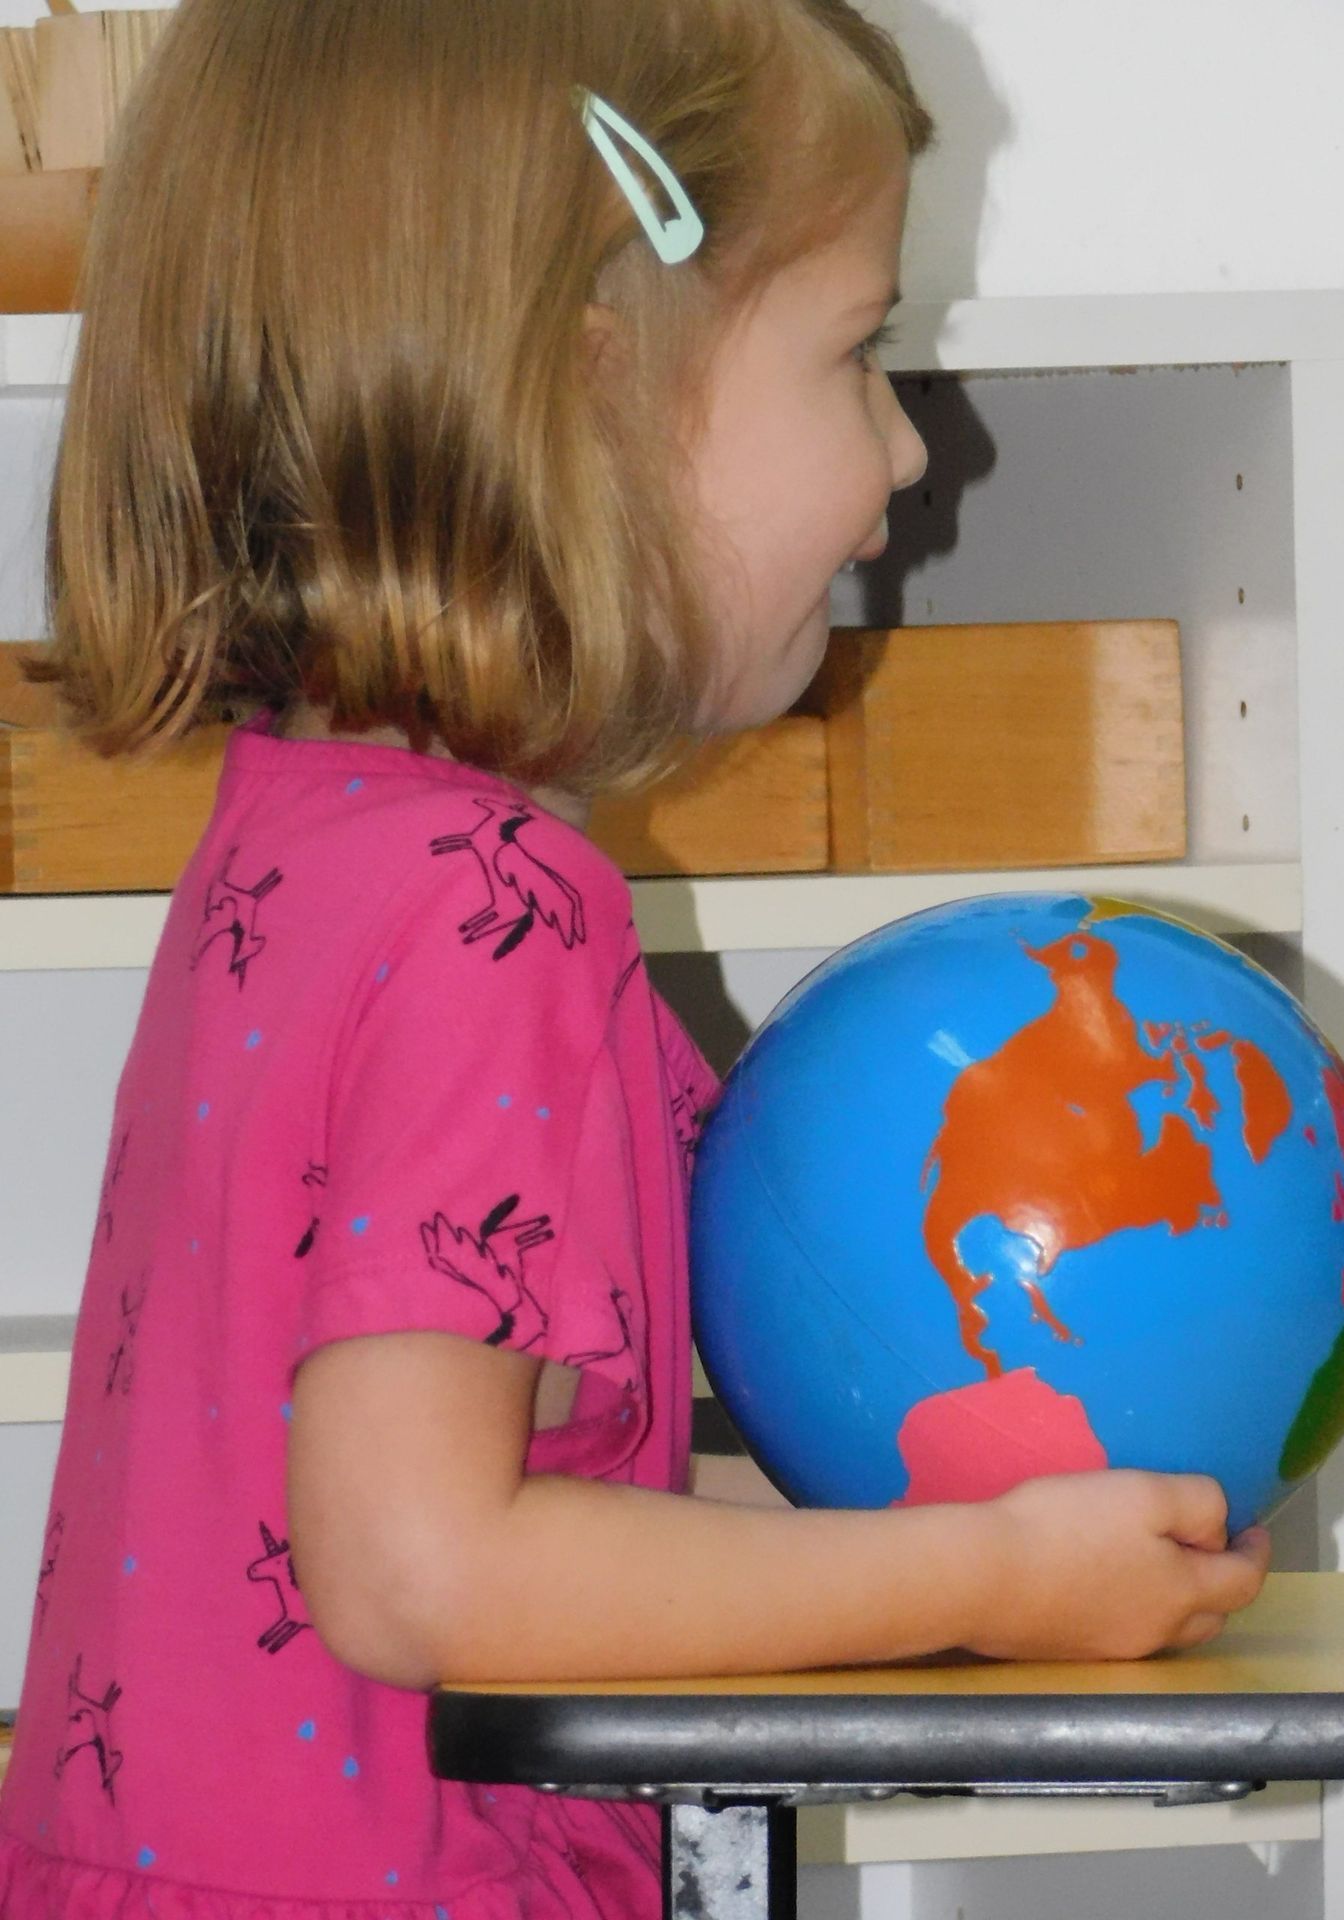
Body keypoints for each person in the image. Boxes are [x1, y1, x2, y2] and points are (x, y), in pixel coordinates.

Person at [0, 0, 1271, 1913]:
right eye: (860, 353)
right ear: (593, 391)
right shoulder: (488, 902)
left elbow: (498, 1500)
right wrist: (990, 1581)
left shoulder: (320, 834)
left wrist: (981, 1528)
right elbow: (429, 1567)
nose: (910, 453)